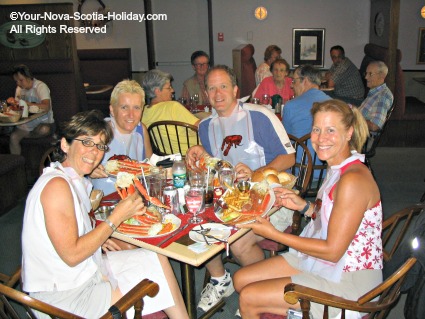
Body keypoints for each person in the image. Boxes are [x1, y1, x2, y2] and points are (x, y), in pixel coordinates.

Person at [21, 110, 189, 319]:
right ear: (65, 144)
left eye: (100, 146)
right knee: (157, 278)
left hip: (80, 274)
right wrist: (115, 218)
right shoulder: (56, 186)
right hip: (64, 299)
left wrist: (97, 240)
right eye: (86, 142)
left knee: (155, 257)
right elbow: (72, 256)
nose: (94, 152)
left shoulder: (70, 179)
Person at [234, 100, 382, 319]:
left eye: (331, 130)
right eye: (316, 129)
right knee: (240, 279)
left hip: (350, 281)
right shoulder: (338, 166)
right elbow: (336, 218)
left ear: (349, 132)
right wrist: (305, 207)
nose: (321, 138)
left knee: (248, 297)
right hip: (324, 262)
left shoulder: (353, 180)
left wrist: (274, 235)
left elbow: (332, 250)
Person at [186, 65, 295, 312]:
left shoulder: (259, 116)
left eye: (223, 86)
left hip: (274, 199)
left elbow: (289, 157)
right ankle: (219, 278)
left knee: (238, 243)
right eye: (211, 88)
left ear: (235, 89)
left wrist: (257, 174)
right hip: (232, 201)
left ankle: (261, 291)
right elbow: (216, 167)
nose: (217, 93)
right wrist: (199, 157)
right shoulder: (205, 126)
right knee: (196, 222)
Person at [90, 80, 152, 195]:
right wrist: (89, 171)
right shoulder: (98, 132)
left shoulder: (141, 130)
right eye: (124, 107)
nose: (131, 115)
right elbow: (72, 168)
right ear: (112, 110)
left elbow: (150, 166)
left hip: (133, 200)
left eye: (136, 108)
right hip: (103, 203)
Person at [282, 64, 331, 180]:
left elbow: (284, 142)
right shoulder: (334, 104)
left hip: (299, 172)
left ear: (305, 81)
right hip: (328, 173)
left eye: (294, 81)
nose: (291, 86)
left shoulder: (290, 106)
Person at [141, 69, 200, 155]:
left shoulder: (143, 112)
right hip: (194, 153)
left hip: (166, 156)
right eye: (169, 87)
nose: (172, 90)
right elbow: (202, 127)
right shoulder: (172, 106)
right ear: (157, 91)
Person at [10, 64, 54, 155]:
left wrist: (27, 104)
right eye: (16, 81)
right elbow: (18, 107)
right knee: (13, 138)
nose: (18, 83)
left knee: (44, 129)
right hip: (26, 124)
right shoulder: (19, 89)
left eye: (21, 80)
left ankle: (28, 135)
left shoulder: (40, 86)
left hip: (43, 123)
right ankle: (17, 166)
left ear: (28, 77)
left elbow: (46, 107)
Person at [358, 60, 394, 132]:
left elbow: (375, 126)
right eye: (366, 73)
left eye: (370, 74)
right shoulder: (375, 92)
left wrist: (355, 119)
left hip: (360, 135)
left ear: (381, 76)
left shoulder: (383, 96)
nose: (366, 77)